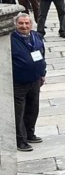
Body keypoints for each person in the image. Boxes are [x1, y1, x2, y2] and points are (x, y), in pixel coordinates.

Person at [12, 12, 46, 152]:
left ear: (31, 24)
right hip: (19, 82)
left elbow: (42, 54)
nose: (24, 26)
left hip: (35, 80)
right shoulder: (11, 39)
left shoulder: (36, 36)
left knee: (33, 108)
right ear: (15, 25)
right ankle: (20, 140)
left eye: (27, 23)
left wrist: (43, 74)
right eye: (21, 23)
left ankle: (30, 133)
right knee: (18, 112)